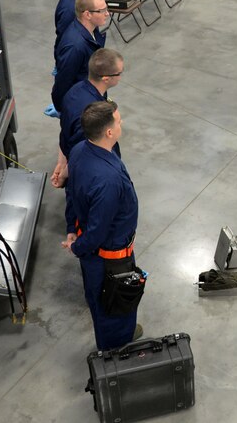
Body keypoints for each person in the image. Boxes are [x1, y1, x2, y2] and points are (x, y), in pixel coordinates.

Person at [62, 101, 142, 350]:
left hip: (93, 251)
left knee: (97, 297)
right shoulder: (107, 180)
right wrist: (77, 247)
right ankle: (117, 347)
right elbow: (97, 232)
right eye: (118, 121)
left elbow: (73, 194)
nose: (121, 124)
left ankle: (121, 331)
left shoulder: (79, 151)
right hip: (110, 258)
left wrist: (72, 230)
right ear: (108, 131)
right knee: (115, 305)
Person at [51, 49, 124, 187]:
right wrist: (64, 174)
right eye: (119, 73)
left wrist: (61, 163)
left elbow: (65, 132)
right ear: (106, 78)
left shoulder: (75, 91)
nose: (120, 76)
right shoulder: (92, 115)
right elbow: (82, 154)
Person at [52, 0, 108, 112]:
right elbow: (63, 83)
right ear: (87, 14)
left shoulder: (93, 30)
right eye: (102, 11)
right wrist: (64, 111)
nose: (107, 14)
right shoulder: (75, 46)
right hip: (82, 106)